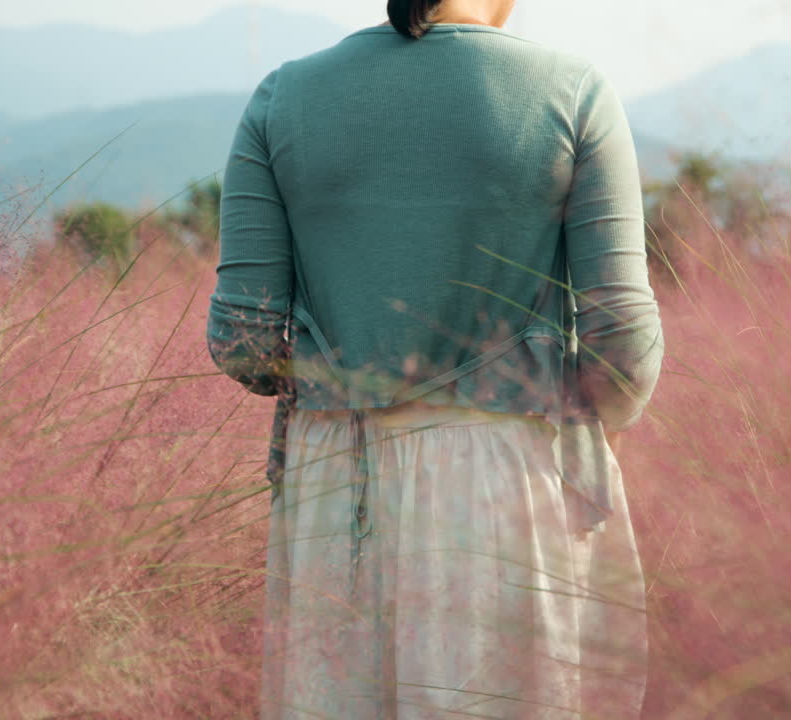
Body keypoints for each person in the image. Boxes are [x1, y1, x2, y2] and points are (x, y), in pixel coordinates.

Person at [206, 0, 665, 716]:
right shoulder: (571, 89)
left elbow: (243, 340)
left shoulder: (283, 97)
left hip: (335, 480)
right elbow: (624, 348)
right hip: (511, 470)